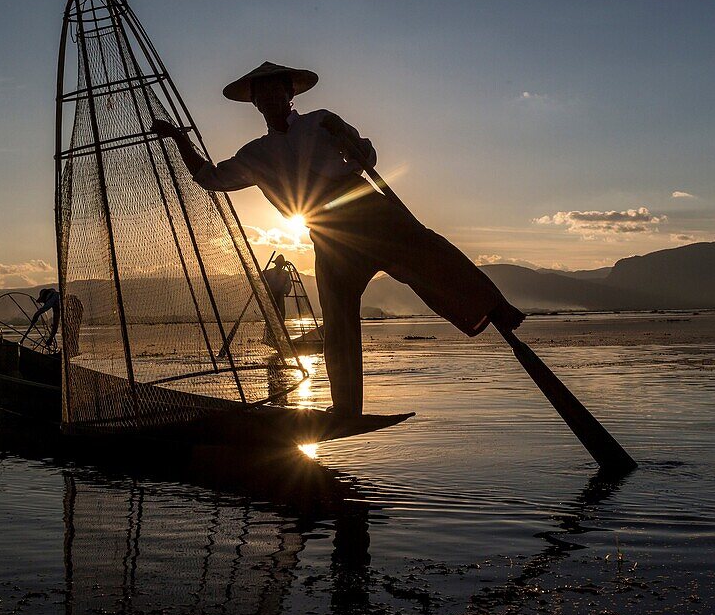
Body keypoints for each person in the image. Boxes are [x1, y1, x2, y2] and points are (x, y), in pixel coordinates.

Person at [151, 61, 524, 416]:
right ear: (254, 103)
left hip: (368, 212)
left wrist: (354, 145)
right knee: (338, 314)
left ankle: (495, 305)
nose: (268, 99)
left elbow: (368, 155)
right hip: (328, 234)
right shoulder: (256, 154)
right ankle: (346, 406)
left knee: (430, 252)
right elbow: (209, 177)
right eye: (260, 95)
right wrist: (178, 138)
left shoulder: (321, 122)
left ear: (288, 93)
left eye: (275, 91)